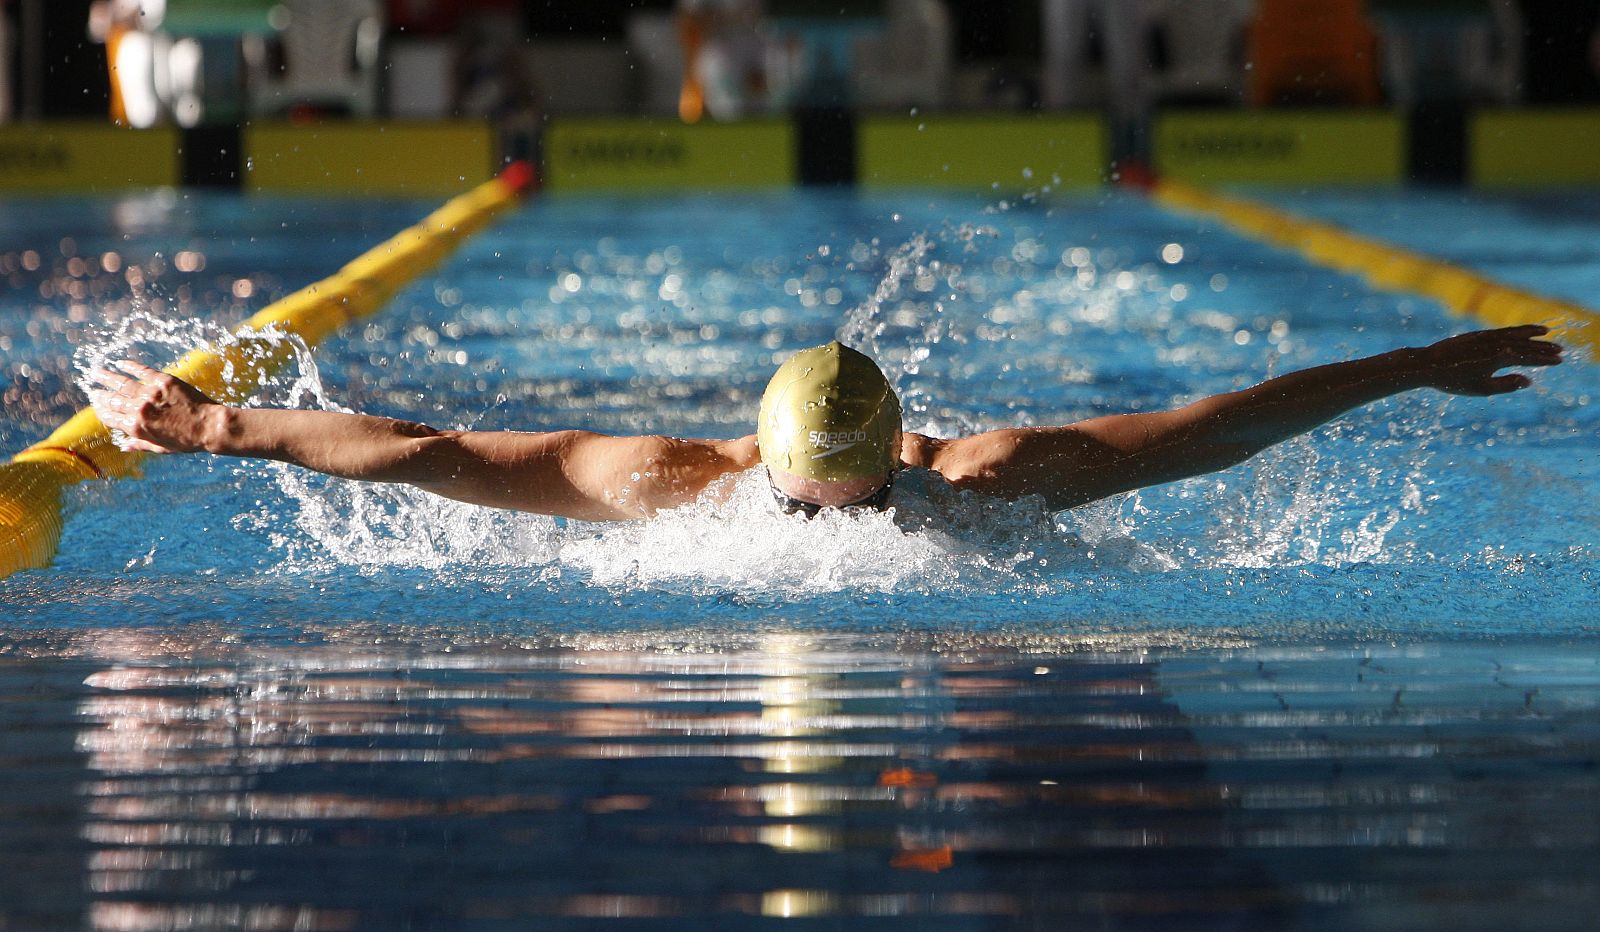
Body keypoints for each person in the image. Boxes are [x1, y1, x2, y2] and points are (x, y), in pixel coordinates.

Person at [87, 326, 1563, 522]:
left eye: (837, 508)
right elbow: (439, 454)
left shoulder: (983, 480)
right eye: (809, 506)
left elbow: (1213, 424)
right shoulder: (678, 483)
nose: (818, 530)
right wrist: (217, 430)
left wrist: (1412, 365)